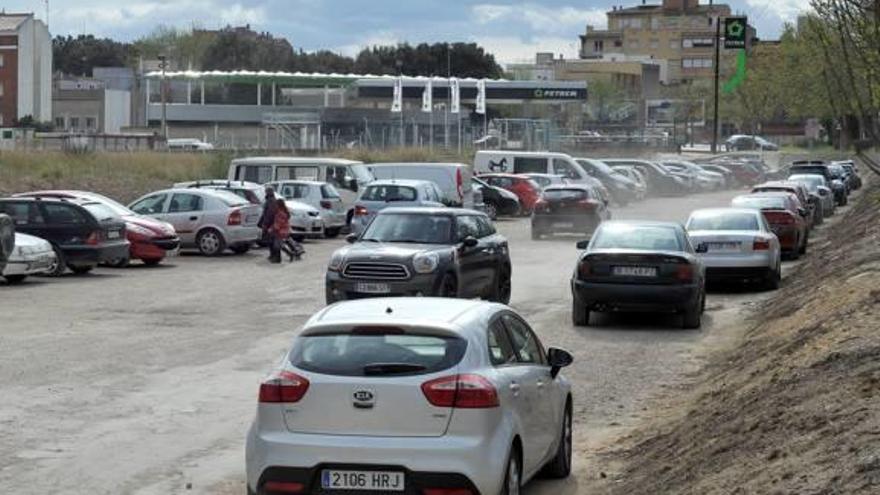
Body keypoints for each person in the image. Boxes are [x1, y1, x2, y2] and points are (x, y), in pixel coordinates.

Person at [272, 198, 303, 262]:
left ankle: (290, 253)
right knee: (282, 243)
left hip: (280, 231)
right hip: (285, 230)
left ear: (278, 205)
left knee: (279, 245)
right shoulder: (284, 212)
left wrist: (273, 228)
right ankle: (293, 252)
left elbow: (278, 223)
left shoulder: (279, 214)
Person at [258, 187, 280, 262]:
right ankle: (273, 256)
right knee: (271, 240)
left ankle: (275, 257)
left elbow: (269, 214)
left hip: (271, 224)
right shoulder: (271, 200)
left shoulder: (271, 200)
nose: (266, 192)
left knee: (272, 241)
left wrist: (266, 224)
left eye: (266, 191)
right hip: (272, 223)